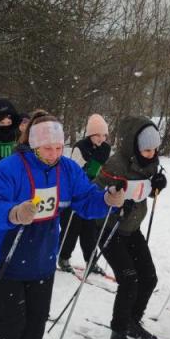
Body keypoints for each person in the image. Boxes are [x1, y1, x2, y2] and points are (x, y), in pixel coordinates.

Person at [0, 114, 123, 339]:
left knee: (37, 320)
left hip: (41, 259)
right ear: (33, 145)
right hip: (3, 260)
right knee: (11, 323)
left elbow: (85, 200)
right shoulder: (8, 169)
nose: (54, 154)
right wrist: (13, 212)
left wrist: (106, 200)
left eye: (58, 147)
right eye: (47, 148)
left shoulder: (67, 169)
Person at [93, 116, 167, 339]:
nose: (151, 154)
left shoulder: (151, 162)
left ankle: (133, 321)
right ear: (135, 146)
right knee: (129, 280)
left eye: (154, 149)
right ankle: (118, 334)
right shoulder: (116, 164)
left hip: (132, 228)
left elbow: (145, 190)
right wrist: (114, 201)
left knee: (149, 278)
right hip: (108, 228)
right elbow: (95, 192)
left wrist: (158, 185)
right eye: (147, 150)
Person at [58, 113, 111, 274]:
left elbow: (106, 170)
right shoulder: (80, 147)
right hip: (76, 194)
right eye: (98, 135)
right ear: (90, 134)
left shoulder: (106, 149)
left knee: (90, 231)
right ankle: (63, 257)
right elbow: (73, 172)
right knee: (72, 228)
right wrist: (88, 164)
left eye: (104, 135)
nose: (101, 138)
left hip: (93, 193)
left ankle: (91, 261)